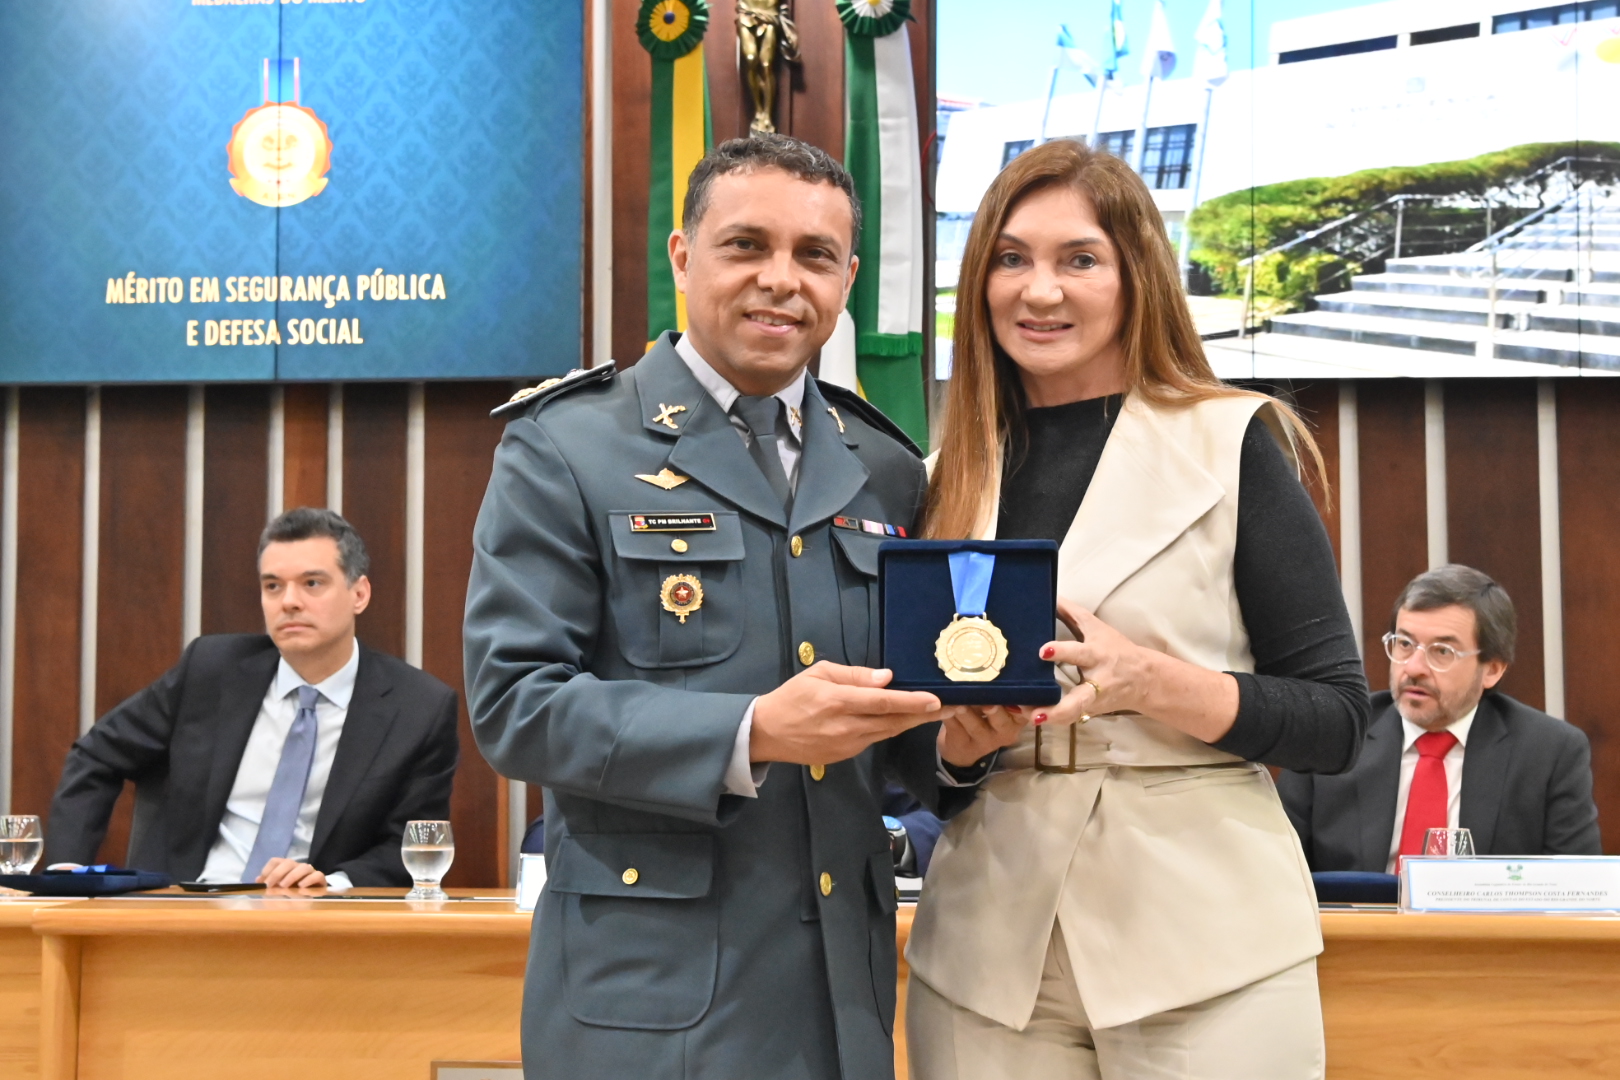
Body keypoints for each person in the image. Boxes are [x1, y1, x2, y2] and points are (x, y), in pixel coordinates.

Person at [464, 134, 998, 1080]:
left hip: (840, 998)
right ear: (683, 256)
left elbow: (900, 727)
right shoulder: (569, 446)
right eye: (746, 245)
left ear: (848, 281)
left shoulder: (881, 465)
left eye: (815, 255)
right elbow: (517, 705)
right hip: (648, 1002)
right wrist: (752, 731)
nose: (780, 280)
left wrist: (960, 743)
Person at [903, 138, 1371, 1079]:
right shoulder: (940, 476)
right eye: (1011, 258)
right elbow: (911, 748)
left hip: (1207, 946)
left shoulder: (1231, 440)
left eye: (1079, 259)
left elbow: (1336, 720)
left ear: (1136, 276)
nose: (1040, 290)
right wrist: (956, 749)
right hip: (987, 953)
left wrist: (1149, 681)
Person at [45, 508, 460, 889]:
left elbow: (413, 845)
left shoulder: (418, 708)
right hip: (185, 909)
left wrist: (332, 882)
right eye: (273, 586)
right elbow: (97, 755)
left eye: (312, 583)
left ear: (359, 594)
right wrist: (66, 869)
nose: (289, 602)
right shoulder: (211, 670)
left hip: (311, 920)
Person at [1279, 565, 1600, 872]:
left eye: (1442, 651)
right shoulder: (1332, 737)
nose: (1414, 668)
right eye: (1405, 644)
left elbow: (1577, 891)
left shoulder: (1549, 753)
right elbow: (1279, 875)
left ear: (1492, 669)